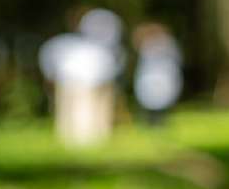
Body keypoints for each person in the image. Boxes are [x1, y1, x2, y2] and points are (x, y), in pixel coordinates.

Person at [38, 8, 124, 147]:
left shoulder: (95, 44)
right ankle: (77, 141)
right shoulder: (65, 42)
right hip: (74, 81)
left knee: (90, 111)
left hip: (93, 81)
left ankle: (91, 140)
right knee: (77, 111)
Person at [133, 22, 183, 123]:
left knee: (160, 98)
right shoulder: (148, 44)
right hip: (152, 76)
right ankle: (153, 120)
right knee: (151, 98)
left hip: (163, 75)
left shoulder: (167, 43)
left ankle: (159, 120)